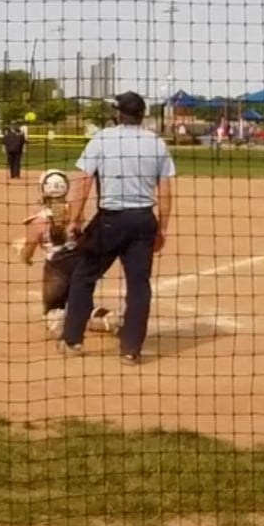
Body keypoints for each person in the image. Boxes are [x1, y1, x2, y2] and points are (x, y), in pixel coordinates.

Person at [57, 92, 176, 366]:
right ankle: (131, 350)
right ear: (142, 115)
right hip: (143, 220)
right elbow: (165, 191)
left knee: (84, 276)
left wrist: (75, 219)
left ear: (118, 114)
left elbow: (84, 182)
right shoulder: (156, 143)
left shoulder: (102, 139)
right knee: (139, 285)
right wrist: (162, 229)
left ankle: (72, 340)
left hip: (110, 220)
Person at [19, 169, 104, 336]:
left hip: (56, 270)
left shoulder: (38, 220)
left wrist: (25, 256)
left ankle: (57, 323)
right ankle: (107, 318)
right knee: (83, 306)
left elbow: (29, 250)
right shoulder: (76, 213)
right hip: (80, 264)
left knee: (53, 309)